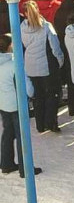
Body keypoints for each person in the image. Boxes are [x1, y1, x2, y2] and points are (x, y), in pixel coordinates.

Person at [1, 34, 42, 177]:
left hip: (3, 104)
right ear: (10, 46)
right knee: (22, 136)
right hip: (17, 104)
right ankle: (25, 169)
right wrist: (32, 94)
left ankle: (6, 163)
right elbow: (27, 88)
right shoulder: (14, 64)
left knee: (8, 133)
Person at [21, 0, 64, 134]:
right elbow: (55, 47)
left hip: (30, 64)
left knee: (38, 95)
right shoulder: (46, 26)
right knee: (52, 94)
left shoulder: (22, 27)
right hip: (46, 65)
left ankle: (40, 124)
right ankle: (51, 122)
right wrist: (60, 60)